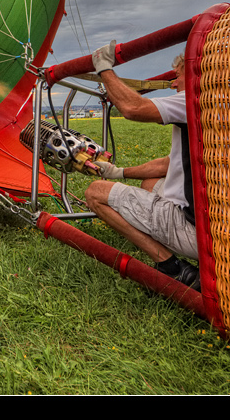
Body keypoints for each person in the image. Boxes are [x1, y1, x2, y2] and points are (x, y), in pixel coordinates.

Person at [84, 43, 200, 291]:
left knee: (95, 193)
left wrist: (104, 67)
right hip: (219, 226)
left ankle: (173, 268)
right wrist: (119, 173)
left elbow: (132, 108)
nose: (172, 84)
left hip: (196, 232)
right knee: (150, 184)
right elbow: (168, 165)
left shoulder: (194, 99)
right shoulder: (227, 107)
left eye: (177, 77)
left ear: (193, 75)